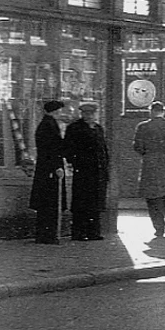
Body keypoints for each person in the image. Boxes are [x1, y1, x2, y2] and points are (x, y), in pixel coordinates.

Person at [133, 101, 165, 239]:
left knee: (152, 197)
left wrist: (148, 153)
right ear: (164, 111)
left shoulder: (143, 127)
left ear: (151, 111)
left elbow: (138, 147)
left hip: (150, 164)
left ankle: (159, 228)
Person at [64, 101, 109, 241]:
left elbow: (103, 149)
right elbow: (69, 149)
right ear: (81, 114)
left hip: (98, 171)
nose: (89, 116)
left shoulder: (98, 128)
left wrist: (105, 166)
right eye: (86, 113)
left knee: (96, 203)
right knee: (81, 202)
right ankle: (78, 232)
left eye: (91, 113)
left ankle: (93, 231)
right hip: (83, 171)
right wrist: (76, 163)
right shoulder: (75, 128)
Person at [29, 100, 67, 244]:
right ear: (55, 111)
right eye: (59, 111)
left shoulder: (47, 124)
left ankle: (45, 234)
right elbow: (52, 149)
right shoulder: (49, 125)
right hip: (50, 169)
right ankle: (48, 235)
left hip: (46, 168)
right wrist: (57, 167)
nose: (61, 114)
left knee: (47, 203)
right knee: (50, 202)